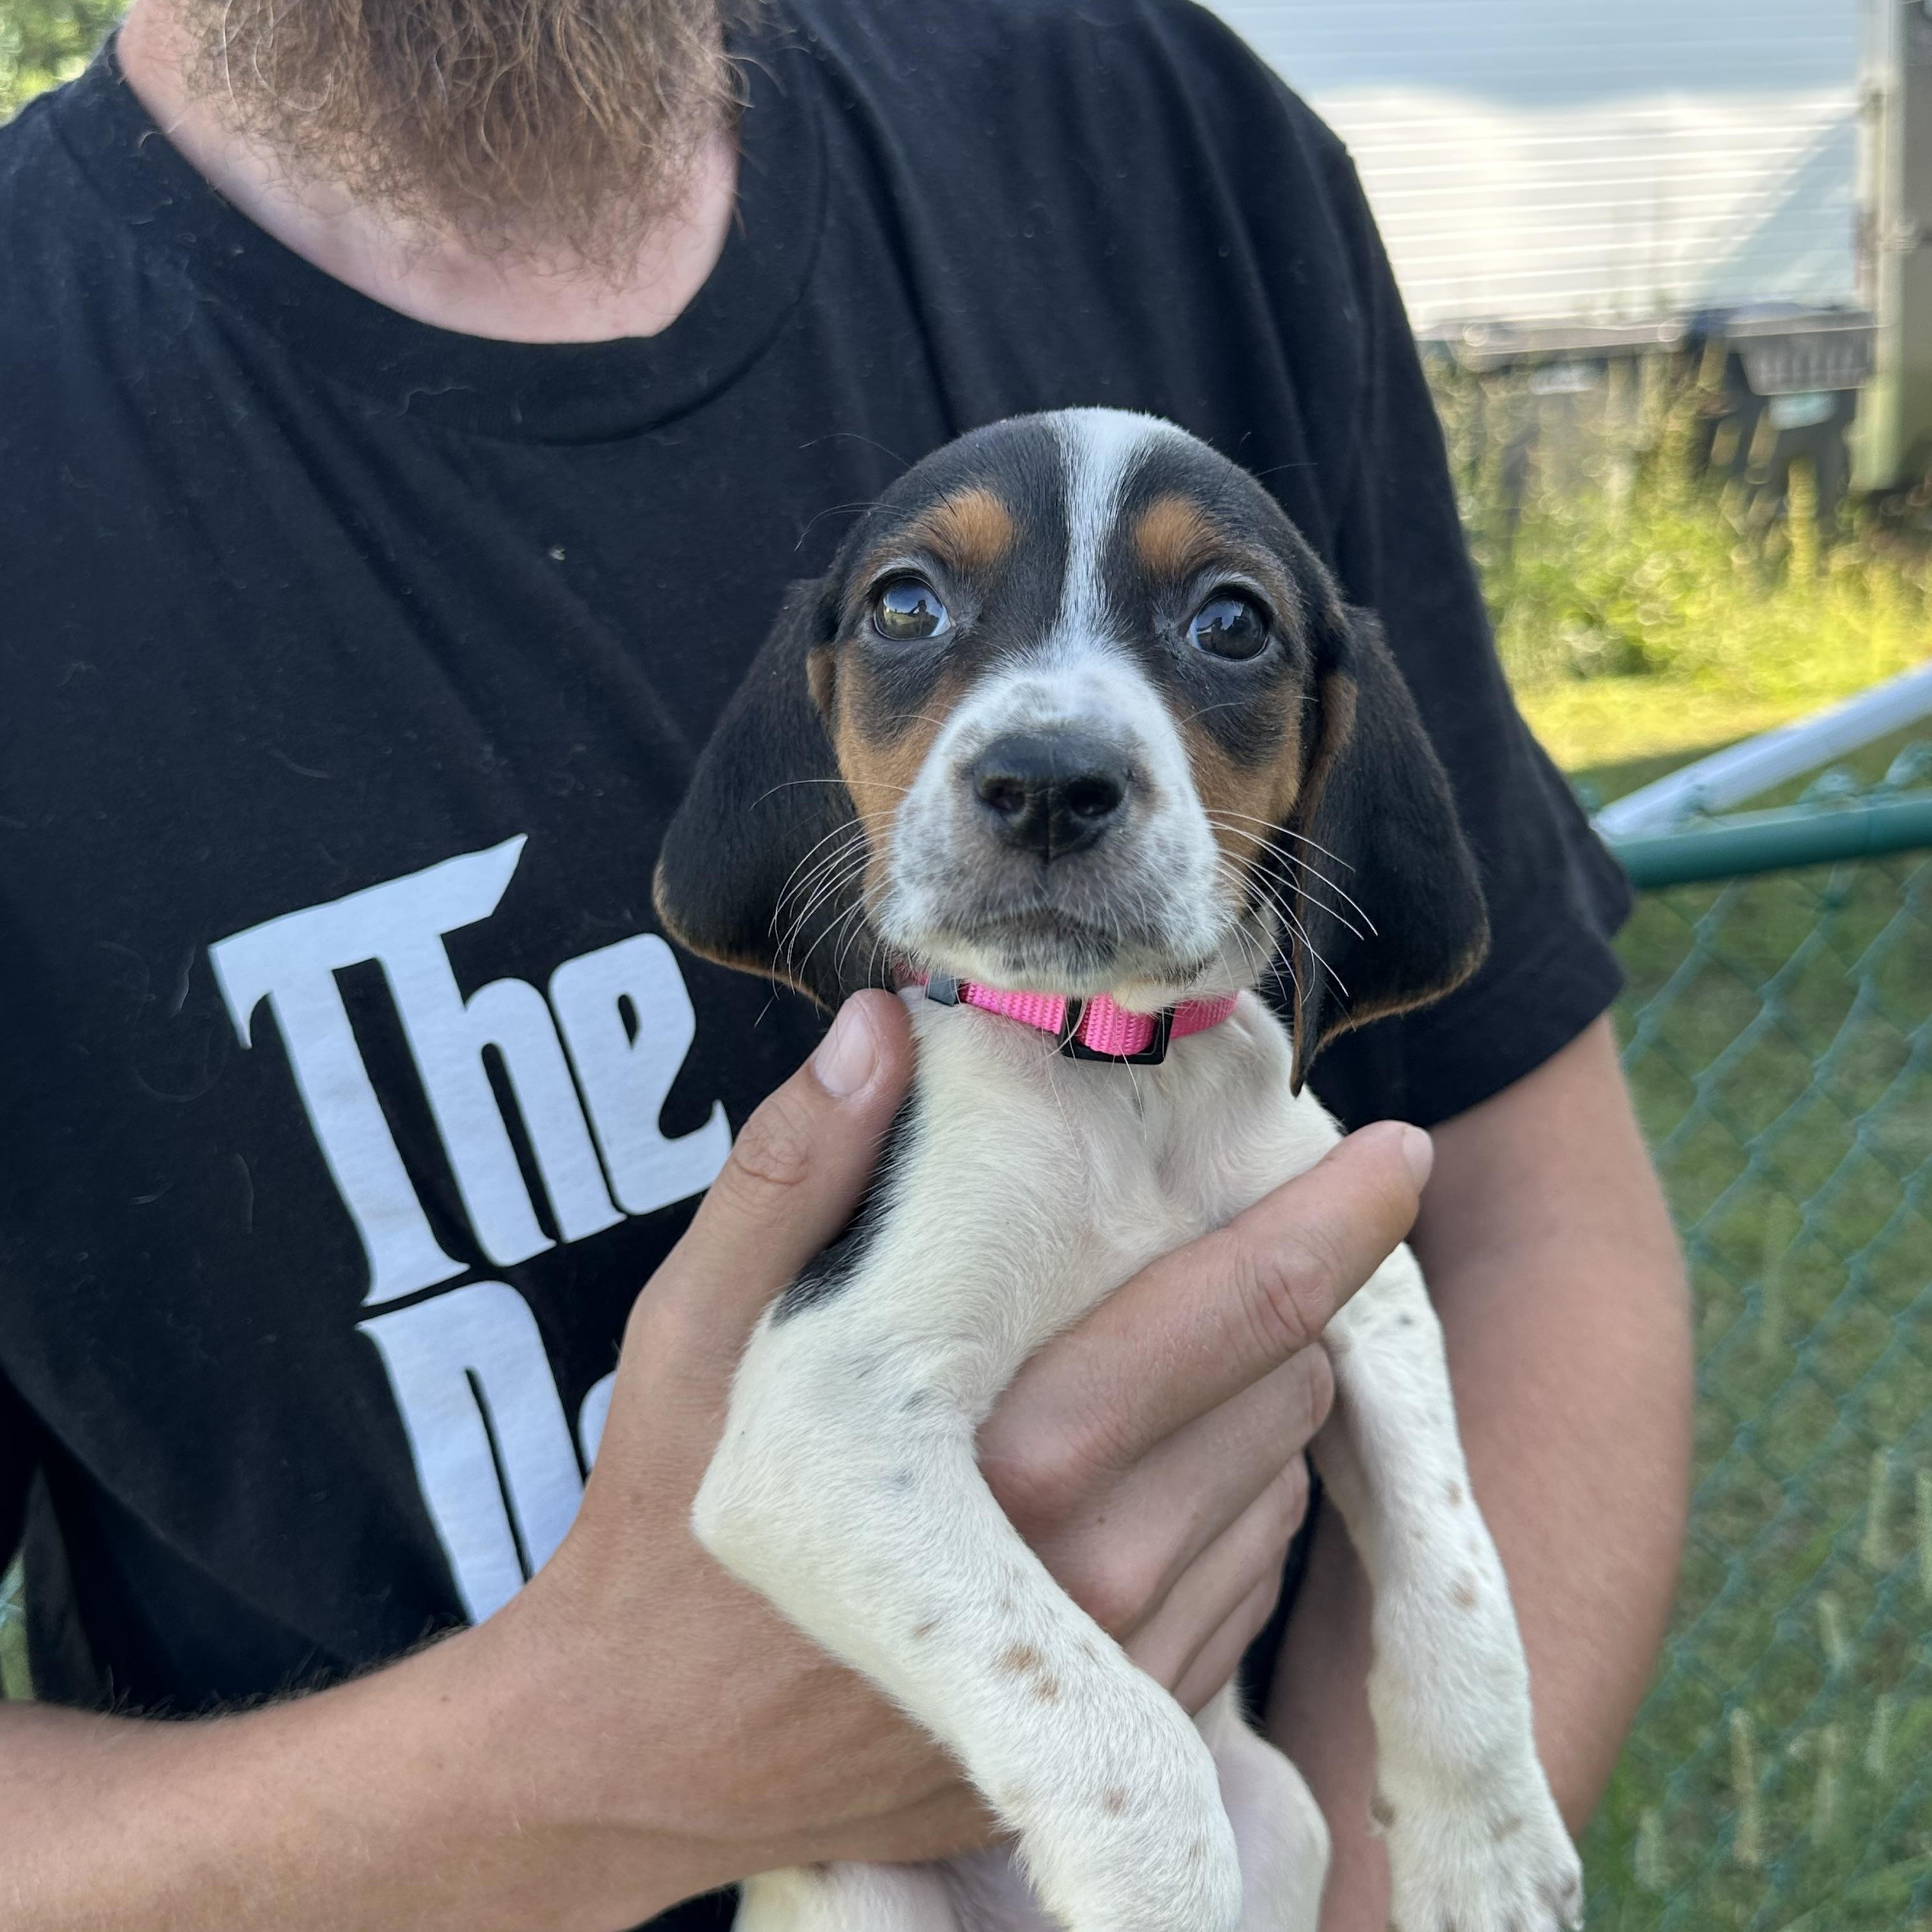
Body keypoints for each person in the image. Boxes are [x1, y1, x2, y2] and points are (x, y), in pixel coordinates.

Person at [0, 0, 1692, 1925]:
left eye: (1220, 623)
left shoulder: (1150, 122)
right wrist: (577, 1758)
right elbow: (804, 1465)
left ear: (1325, 739)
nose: (1055, 744)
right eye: (915, 610)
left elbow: (1514, 1225)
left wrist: (1430, 1824)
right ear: (807, 726)